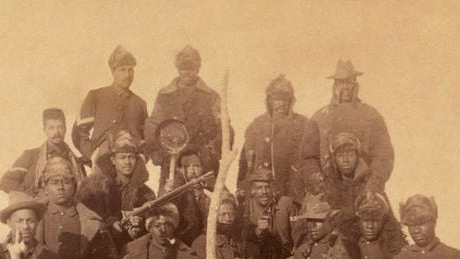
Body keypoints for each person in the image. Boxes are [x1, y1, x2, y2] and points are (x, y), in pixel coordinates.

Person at [299, 60, 394, 197]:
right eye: (340, 83)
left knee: (376, 214)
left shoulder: (371, 116)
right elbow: (308, 157)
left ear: (355, 85)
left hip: (365, 188)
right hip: (327, 189)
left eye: (349, 82)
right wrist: (317, 180)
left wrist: (374, 181)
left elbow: (383, 154)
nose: (345, 88)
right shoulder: (319, 118)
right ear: (334, 86)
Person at [144, 46, 229, 184]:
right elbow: (153, 126)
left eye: (191, 68)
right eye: (183, 68)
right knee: (168, 203)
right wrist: (162, 155)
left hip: (203, 165)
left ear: (198, 69)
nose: (187, 72)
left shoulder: (212, 97)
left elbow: (224, 130)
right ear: (178, 69)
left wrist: (208, 154)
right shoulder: (165, 96)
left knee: (209, 202)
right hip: (173, 163)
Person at [36, 156, 104, 259]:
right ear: (46, 186)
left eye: (66, 181)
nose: (60, 187)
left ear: (74, 185)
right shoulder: (34, 218)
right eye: (54, 182)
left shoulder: (91, 220)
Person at [238, 75, 310, 202]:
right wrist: (242, 186)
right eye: (277, 99)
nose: (282, 103)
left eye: (285, 99)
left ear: (291, 100)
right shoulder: (256, 125)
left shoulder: (303, 124)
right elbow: (245, 162)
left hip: (292, 189)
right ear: (269, 101)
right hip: (262, 192)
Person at [76, 129, 155, 243]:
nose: (127, 162)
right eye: (122, 157)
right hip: (104, 243)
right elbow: (86, 215)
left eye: (131, 157)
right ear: (113, 160)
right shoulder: (98, 188)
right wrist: (110, 222)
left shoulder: (145, 193)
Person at [72, 46, 148, 165]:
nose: (127, 75)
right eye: (122, 70)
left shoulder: (140, 103)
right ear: (113, 71)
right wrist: (93, 155)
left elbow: (146, 138)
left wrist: (142, 158)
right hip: (103, 162)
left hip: (132, 164)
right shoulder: (96, 96)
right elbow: (79, 133)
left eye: (130, 70)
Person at [241, 166, 303, 259]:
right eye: (259, 188)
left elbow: (299, 232)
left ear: (273, 188)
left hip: (285, 258)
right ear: (252, 191)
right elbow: (242, 237)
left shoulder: (286, 204)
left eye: (267, 187)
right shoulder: (246, 209)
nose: (264, 192)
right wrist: (257, 230)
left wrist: (297, 250)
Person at [0, 108, 84, 195]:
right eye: (51, 128)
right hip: (37, 205)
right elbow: (6, 182)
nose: (56, 132)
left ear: (65, 129)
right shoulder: (31, 156)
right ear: (45, 130)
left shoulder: (74, 161)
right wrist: (33, 195)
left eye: (60, 127)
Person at [191, 190, 258, 259]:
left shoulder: (238, 239)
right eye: (223, 214)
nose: (228, 218)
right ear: (211, 216)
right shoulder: (201, 243)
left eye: (231, 214)